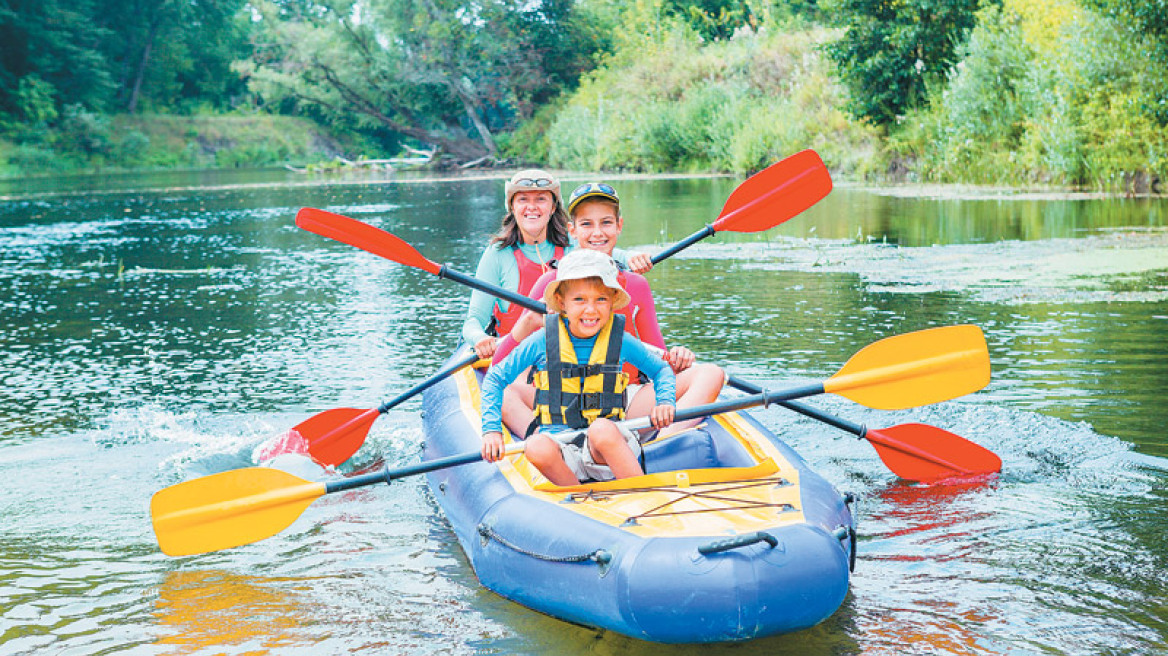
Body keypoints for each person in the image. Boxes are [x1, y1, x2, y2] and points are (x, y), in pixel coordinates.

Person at [491, 182, 724, 437]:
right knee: (502, 390)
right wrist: (523, 328)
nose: (597, 233)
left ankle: (666, 440)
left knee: (711, 374)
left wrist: (677, 359)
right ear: (572, 230)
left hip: (623, 402)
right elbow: (498, 366)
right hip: (559, 399)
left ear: (619, 226)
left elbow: (658, 360)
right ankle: (543, 442)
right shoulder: (552, 284)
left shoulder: (636, 285)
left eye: (606, 223)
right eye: (587, 224)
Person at [479, 250, 676, 486]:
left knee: (601, 429)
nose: (591, 310)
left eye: (601, 299)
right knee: (536, 446)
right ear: (562, 303)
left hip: (607, 446)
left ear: (612, 301)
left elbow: (662, 370)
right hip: (561, 448)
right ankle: (579, 502)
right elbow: (495, 378)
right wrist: (491, 430)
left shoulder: (621, 340)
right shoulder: (542, 340)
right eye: (579, 300)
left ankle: (643, 494)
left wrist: (665, 401)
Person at [461, 170, 652, 360]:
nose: (532, 207)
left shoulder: (573, 244)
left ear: (553, 207)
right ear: (512, 206)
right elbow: (473, 320)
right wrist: (480, 339)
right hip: (515, 355)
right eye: (523, 199)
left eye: (541, 199)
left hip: (564, 356)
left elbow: (606, 252)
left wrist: (631, 258)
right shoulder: (497, 254)